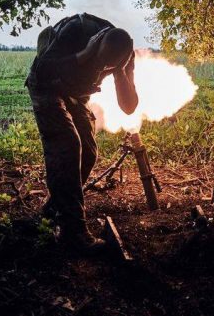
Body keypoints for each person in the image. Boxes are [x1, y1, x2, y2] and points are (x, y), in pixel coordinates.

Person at [25, 13, 138, 252]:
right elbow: (43, 69)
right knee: (67, 145)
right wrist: (84, 55)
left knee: (88, 152)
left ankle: (53, 212)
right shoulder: (76, 30)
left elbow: (129, 107)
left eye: (108, 67)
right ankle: (73, 233)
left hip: (76, 94)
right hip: (46, 87)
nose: (101, 69)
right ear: (97, 42)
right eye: (100, 62)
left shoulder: (125, 55)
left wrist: (120, 72)